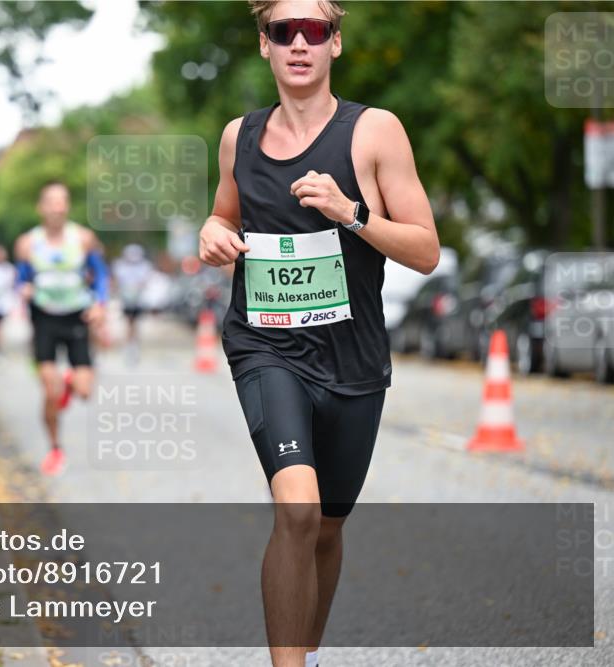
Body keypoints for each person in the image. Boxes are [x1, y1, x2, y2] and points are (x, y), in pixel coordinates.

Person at [199, 2, 440, 666]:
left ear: (335, 43)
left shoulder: (374, 132)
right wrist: (212, 234)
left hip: (354, 357)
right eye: (284, 31)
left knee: (328, 527)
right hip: (266, 346)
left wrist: (350, 212)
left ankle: (302, 646)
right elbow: (222, 218)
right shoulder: (237, 138)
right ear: (264, 46)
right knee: (298, 511)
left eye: (314, 31)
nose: (299, 43)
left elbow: (424, 251)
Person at [14, 180, 108, 476]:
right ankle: (55, 448)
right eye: (52, 201)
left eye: (63, 200)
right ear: (41, 208)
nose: (58, 206)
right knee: (49, 390)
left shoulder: (83, 238)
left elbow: (102, 275)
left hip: (77, 316)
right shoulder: (27, 243)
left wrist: (100, 304)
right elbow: (21, 277)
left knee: (84, 391)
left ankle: (69, 381)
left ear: (67, 206)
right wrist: (23, 289)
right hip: (44, 318)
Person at [112, 243, 154, 364]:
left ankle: (134, 346)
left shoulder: (144, 266)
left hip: (138, 301)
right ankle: (129, 346)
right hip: (126, 300)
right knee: (128, 323)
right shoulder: (120, 266)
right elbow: (116, 281)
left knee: (134, 324)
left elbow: (146, 281)